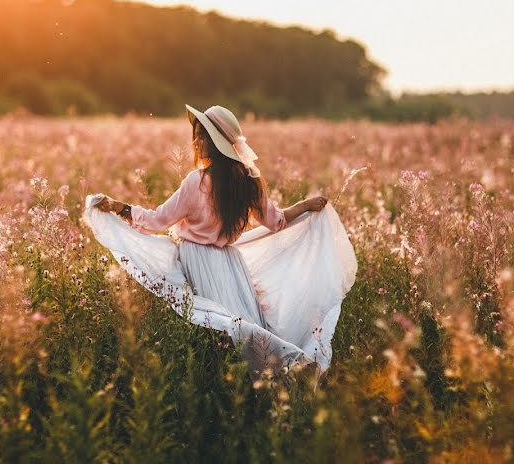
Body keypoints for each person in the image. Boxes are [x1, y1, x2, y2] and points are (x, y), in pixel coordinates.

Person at [84, 105, 357, 375]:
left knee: (220, 331)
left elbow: (157, 221)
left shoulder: (198, 182)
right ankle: (282, 369)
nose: (196, 142)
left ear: (216, 143)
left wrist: (120, 207)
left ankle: (275, 366)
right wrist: (304, 206)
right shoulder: (248, 183)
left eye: (203, 136)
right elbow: (277, 220)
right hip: (230, 265)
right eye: (197, 134)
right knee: (240, 334)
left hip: (198, 261)